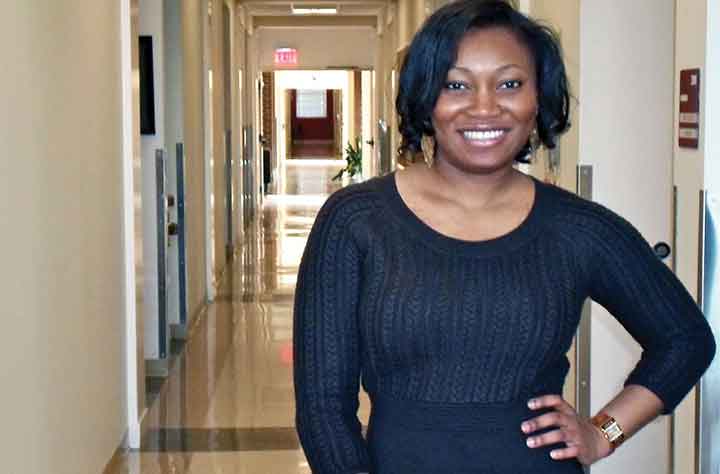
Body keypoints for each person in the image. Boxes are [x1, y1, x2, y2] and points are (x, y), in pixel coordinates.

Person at [293, 1, 717, 473]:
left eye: (510, 84)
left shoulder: (577, 229)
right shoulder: (356, 221)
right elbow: (322, 408)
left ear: (538, 97)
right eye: (456, 84)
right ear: (424, 97)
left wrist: (603, 433)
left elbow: (685, 340)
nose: (484, 106)